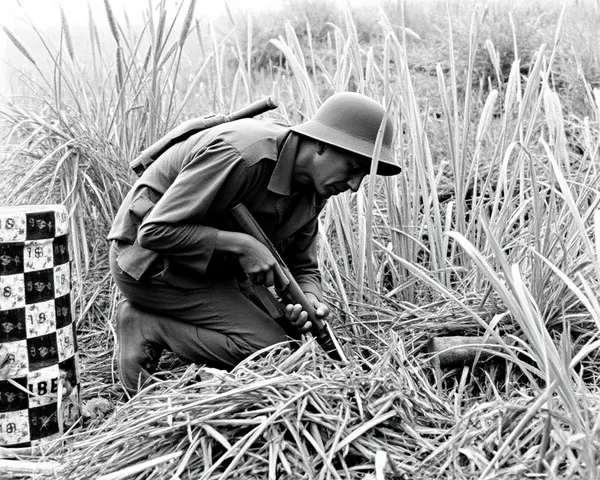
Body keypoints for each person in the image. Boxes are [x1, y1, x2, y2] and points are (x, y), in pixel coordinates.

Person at [108, 92, 401, 395]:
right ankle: (146, 323)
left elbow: (303, 266)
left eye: (363, 175)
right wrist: (243, 246)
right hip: (146, 262)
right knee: (273, 353)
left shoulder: (316, 189)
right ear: (321, 144)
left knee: (294, 342)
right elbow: (155, 231)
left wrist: (310, 299)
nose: (354, 186)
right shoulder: (241, 155)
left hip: (208, 268)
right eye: (353, 168)